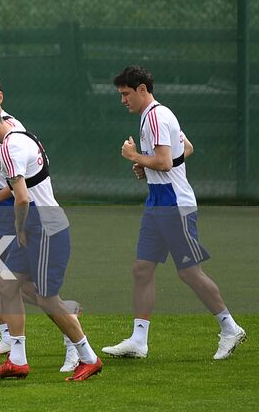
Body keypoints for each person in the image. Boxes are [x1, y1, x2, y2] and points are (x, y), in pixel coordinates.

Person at [103, 65, 245, 361]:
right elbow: (186, 149)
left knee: (189, 272)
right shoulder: (156, 115)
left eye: (126, 94)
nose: (123, 100)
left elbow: (166, 162)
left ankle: (230, 328)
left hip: (174, 203)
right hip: (158, 201)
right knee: (142, 268)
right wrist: (147, 166)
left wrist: (135, 157)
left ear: (142, 89)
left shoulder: (155, 116)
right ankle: (139, 341)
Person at [0, 97, 102, 381]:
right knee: (7, 285)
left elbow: (22, 198)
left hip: (46, 229)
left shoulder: (10, 147)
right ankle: (17, 360)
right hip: (41, 226)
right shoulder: (22, 137)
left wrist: (20, 228)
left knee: (47, 300)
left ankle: (88, 357)